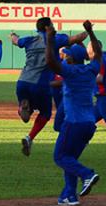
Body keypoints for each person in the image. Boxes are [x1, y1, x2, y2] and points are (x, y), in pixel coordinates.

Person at [44, 20, 102, 205]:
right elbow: (98, 54)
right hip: (89, 124)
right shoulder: (91, 69)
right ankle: (69, 195)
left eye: (67, 56)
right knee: (70, 158)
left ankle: (88, 174)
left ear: (71, 58)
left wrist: (50, 40)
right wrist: (90, 32)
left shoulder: (69, 71)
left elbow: (50, 61)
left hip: (74, 122)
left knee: (59, 156)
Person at [10, 18, 86, 157]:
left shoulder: (29, 40)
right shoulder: (55, 39)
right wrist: (88, 31)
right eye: (51, 24)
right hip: (41, 84)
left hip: (22, 81)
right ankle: (30, 137)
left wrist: (13, 35)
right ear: (47, 27)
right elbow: (77, 38)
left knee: (27, 107)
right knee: (45, 113)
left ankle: (24, 106)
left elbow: (16, 41)